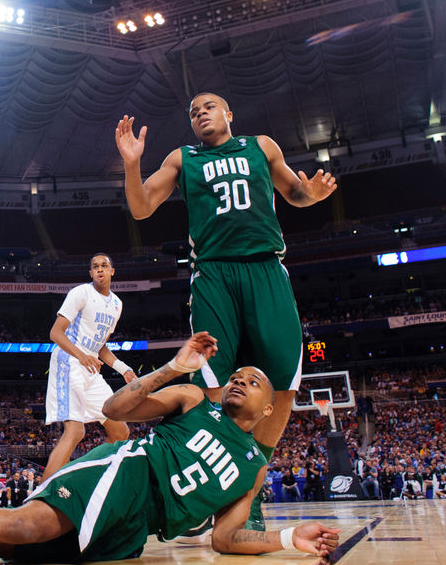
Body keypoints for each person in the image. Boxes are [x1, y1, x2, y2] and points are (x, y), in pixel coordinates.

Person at [0, 333, 340, 565]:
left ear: (272, 408)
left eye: (254, 380)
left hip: (139, 527)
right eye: (238, 375)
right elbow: (117, 406)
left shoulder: (253, 467)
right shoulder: (197, 399)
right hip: (130, 470)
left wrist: (289, 539)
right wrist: (173, 367)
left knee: (11, 553)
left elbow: (225, 537)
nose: (241, 380)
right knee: (27, 525)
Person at [115, 93, 338, 529]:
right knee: (216, 382)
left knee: (282, 383)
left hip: (266, 268)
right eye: (193, 110)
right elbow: (141, 208)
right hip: (214, 274)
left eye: (209, 106)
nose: (200, 112)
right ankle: (224, 491)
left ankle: (251, 491)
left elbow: (294, 192)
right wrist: (131, 164)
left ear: (229, 114)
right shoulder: (183, 158)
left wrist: (311, 194)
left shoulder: (262, 146)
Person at [43, 253, 136, 480]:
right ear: (91, 273)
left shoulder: (116, 304)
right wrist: (82, 356)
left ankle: (84, 479)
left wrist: (124, 369)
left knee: (121, 433)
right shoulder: (81, 293)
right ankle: (38, 497)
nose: (100, 269)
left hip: (90, 368)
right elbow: (55, 333)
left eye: (105, 265)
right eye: (95, 267)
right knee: (75, 431)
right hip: (68, 362)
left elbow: (101, 347)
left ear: (112, 271)